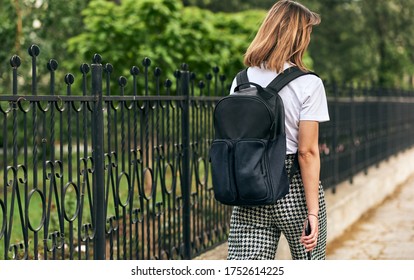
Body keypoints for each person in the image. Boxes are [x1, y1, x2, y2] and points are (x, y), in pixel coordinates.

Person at [227, 0, 330, 260]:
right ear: (297, 35)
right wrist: (313, 212)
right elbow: (307, 152)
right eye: (307, 32)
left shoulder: (241, 81)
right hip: (293, 184)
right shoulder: (309, 83)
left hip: (251, 185)